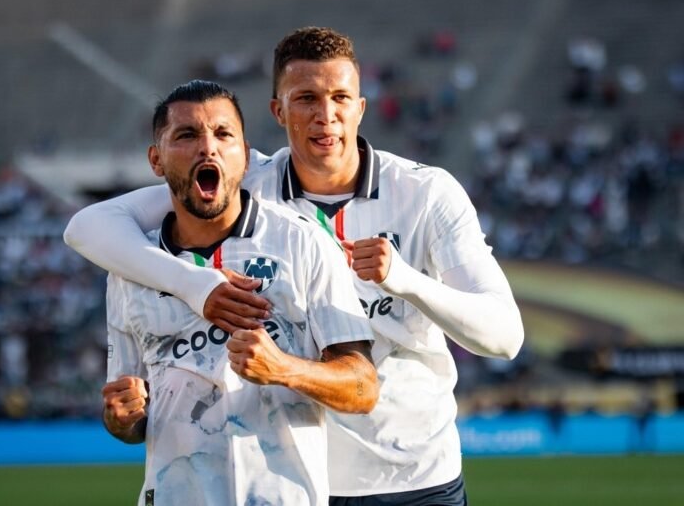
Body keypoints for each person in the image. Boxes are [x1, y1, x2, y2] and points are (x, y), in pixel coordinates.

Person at [65, 28, 525, 505]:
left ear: (360, 108)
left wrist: (405, 280)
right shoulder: (244, 184)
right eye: (306, 98)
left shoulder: (425, 193)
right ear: (278, 111)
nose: (326, 115)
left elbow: (504, 337)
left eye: (340, 97)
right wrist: (195, 285)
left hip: (413, 475)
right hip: (300, 478)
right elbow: (88, 226)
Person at [98, 79, 378, 506]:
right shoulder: (129, 271)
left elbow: (363, 388)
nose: (207, 148)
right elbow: (131, 416)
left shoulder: (303, 244)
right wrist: (122, 417)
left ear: (245, 156)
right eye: (187, 135)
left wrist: (284, 369)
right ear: (156, 160)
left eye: (223, 134)